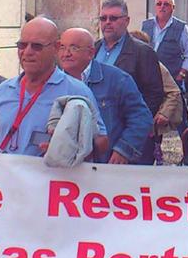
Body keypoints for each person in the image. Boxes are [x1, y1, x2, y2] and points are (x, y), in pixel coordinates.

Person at [0, 17, 107, 158]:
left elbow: (101, 142)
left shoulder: (77, 91)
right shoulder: (3, 90)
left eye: (36, 46)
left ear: (56, 48)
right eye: (22, 45)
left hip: (52, 177)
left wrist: (72, 147)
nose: (27, 52)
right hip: (5, 178)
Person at [58, 28, 152, 164]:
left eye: (74, 48)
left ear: (91, 53)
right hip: (62, 168)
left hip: (105, 168)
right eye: (62, 47)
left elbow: (141, 118)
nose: (66, 54)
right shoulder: (52, 83)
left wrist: (123, 150)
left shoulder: (117, 79)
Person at [94, 0, 165, 163]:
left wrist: (131, 133)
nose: (107, 23)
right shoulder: (94, 49)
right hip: (96, 135)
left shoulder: (142, 52)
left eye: (113, 18)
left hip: (126, 137)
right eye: (103, 18)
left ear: (126, 21)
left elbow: (154, 95)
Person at [141, 0, 188, 164]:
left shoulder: (181, 27)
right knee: (152, 117)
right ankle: (155, 154)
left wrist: (181, 74)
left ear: (173, 8)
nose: (162, 7)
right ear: (155, 6)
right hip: (150, 81)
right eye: (159, 3)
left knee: (182, 119)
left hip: (173, 81)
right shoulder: (146, 25)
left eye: (166, 4)